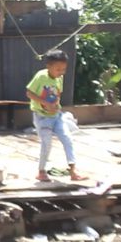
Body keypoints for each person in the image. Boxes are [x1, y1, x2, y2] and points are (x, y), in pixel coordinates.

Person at [25, 50, 87, 182]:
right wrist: (45, 103)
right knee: (46, 144)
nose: (61, 72)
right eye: (58, 69)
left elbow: (57, 94)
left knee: (67, 139)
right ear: (48, 66)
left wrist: (54, 107)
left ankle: (73, 171)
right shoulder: (41, 76)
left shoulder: (60, 78)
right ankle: (41, 171)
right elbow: (29, 93)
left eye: (64, 69)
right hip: (42, 117)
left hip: (57, 116)